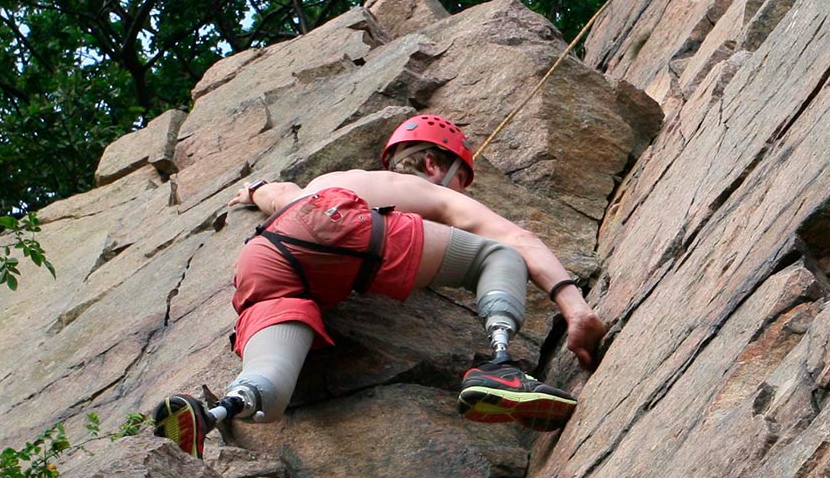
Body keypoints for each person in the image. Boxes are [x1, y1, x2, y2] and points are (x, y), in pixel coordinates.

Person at [154, 114, 607, 457]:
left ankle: (212, 413)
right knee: (496, 255)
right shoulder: (425, 190)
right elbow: (516, 239)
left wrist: (253, 190)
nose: (462, 197)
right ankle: (502, 366)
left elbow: (275, 194)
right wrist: (575, 307)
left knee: (268, 387)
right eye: (463, 184)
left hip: (264, 257)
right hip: (338, 228)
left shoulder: (327, 181)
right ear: (433, 164)